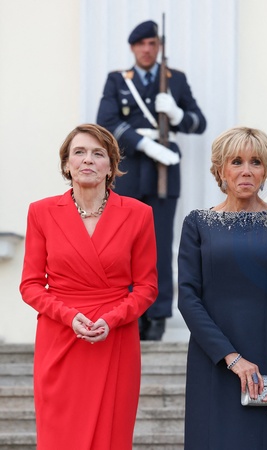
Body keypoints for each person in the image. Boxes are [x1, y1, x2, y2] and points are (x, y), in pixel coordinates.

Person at [19, 124, 158, 450]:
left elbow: (147, 287)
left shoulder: (139, 214)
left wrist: (112, 319)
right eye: (79, 152)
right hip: (60, 338)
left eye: (98, 154)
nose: (88, 160)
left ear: (111, 166)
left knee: (111, 437)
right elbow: (30, 285)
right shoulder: (41, 212)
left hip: (116, 338)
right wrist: (68, 316)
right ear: (66, 164)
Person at [177, 127, 267, 449]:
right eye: (236, 162)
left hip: (265, 361)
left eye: (255, 162)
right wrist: (232, 358)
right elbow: (188, 299)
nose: (246, 171)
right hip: (212, 359)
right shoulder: (197, 223)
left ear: (266, 170)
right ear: (221, 170)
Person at [96, 19, 207, 340]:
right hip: (129, 170)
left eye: (152, 44)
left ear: (158, 47)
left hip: (164, 172)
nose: (147, 49)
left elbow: (198, 122)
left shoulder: (175, 80)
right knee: (124, 245)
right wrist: (144, 144)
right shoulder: (118, 80)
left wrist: (176, 114)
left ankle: (157, 315)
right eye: (141, 44)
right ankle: (130, 311)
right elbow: (106, 121)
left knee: (159, 244)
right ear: (133, 47)